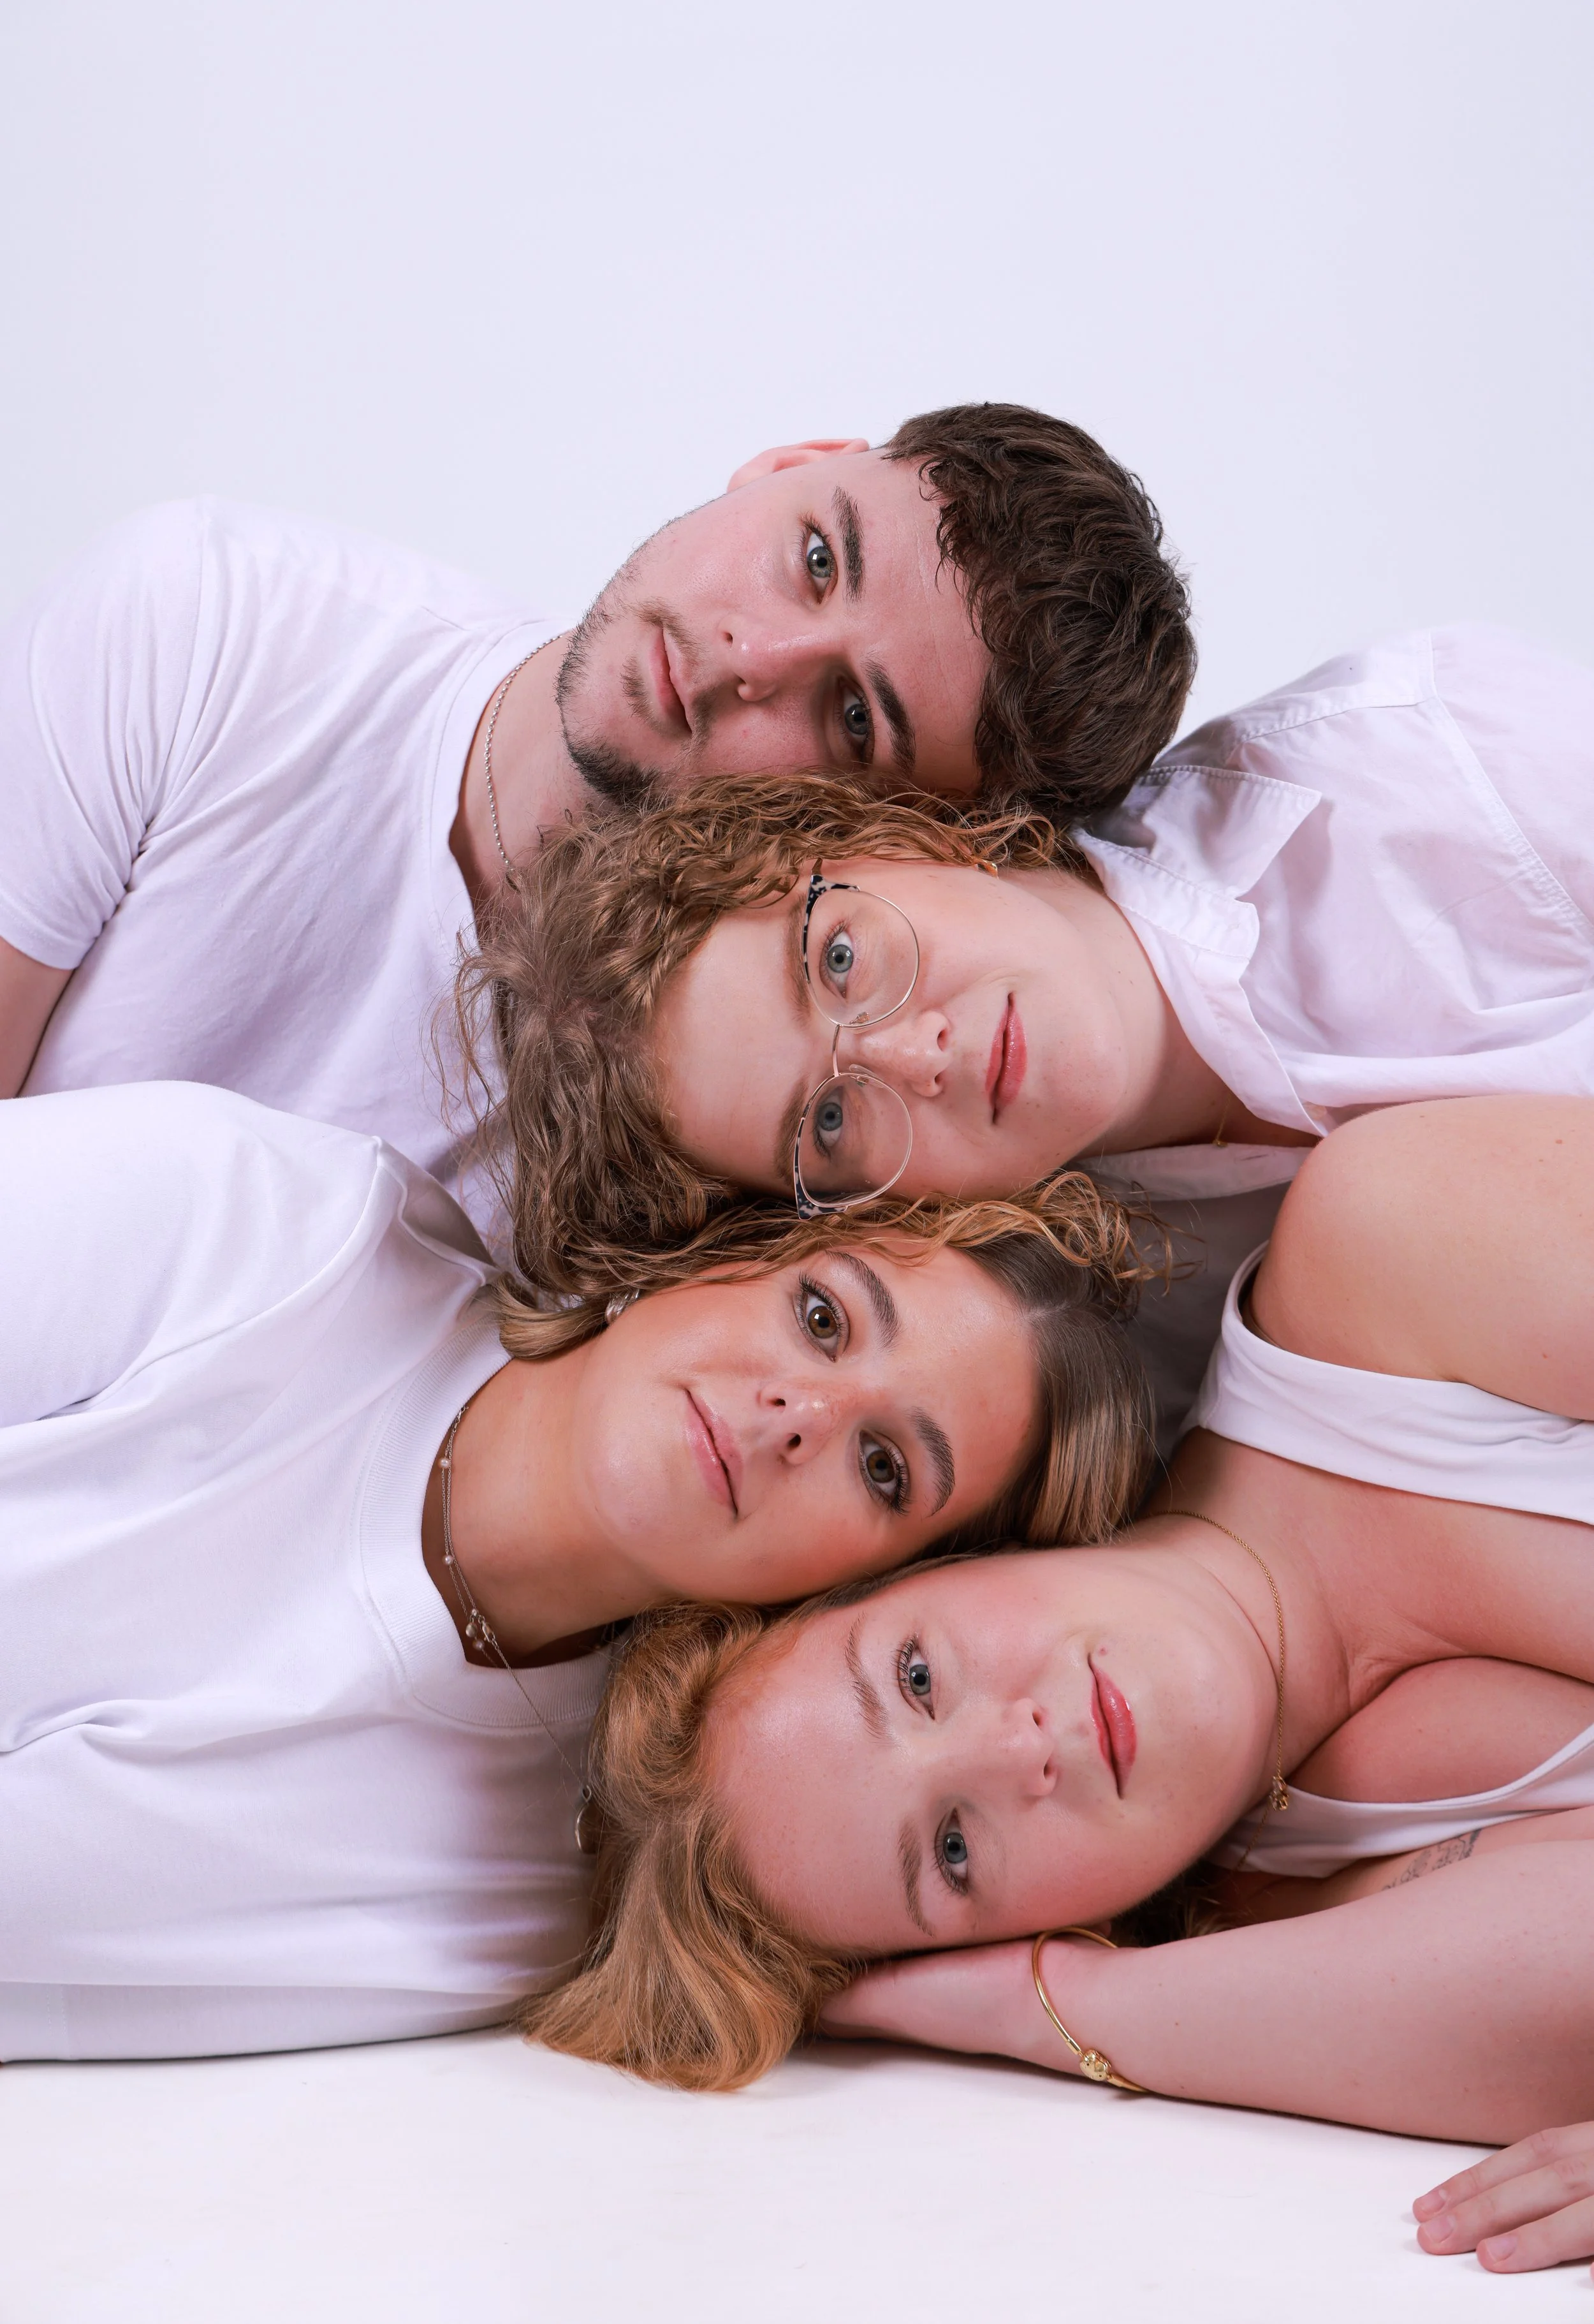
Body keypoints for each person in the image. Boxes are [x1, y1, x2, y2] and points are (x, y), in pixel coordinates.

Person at [525, 1091, 1594, 2277]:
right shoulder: (1299, 1900)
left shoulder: (1379, 1262)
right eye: (955, 1854)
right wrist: (1064, 2009)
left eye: (920, 1676)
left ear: (943, 1553)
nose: (1020, 1752)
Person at [0, 1073, 1149, 2063]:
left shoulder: (526, 1897)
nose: (801, 1414)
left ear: (861, 1591)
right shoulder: (260, 1227)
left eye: (886, 1468)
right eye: (824, 1317)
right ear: (725, 1253)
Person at [0, 405, 1192, 1237]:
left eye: (849, 720)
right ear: (789, 461)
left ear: (902, 846)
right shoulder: (208, 625)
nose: (750, 657)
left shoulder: (757, 1150)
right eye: (818, 557)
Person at [483, 621, 1594, 1430]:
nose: (916, 1057)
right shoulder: (1118, 1359)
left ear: (888, 834)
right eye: (828, 1120)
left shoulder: (1428, 766)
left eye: (838, 960)